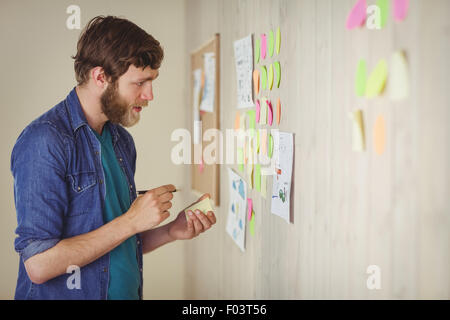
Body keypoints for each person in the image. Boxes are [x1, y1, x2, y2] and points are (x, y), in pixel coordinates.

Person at [10, 15, 216, 300]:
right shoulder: (44, 142)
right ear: (100, 77)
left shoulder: (121, 141)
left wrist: (171, 231)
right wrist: (131, 221)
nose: (150, 95)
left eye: (152, 82)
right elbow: (39, 264)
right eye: (140, 82)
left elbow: (113, 243)